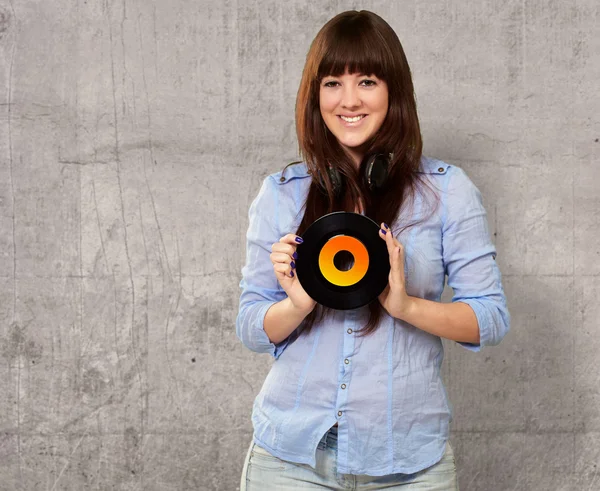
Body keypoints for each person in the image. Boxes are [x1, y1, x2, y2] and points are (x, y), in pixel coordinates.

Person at [236, 9, 510, 491]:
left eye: (366, 81)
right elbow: (251, 328)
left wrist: (405, 306)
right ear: (314, 95)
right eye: (331, 83)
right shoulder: (281, 193)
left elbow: (489, 318)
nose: (348, 101)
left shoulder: (447, 191)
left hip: (408, 462)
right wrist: (298, 302)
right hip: (290, 460)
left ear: (393, 91)